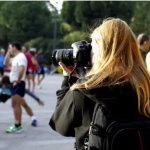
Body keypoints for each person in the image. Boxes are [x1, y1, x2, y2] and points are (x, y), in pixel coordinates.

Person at [49, 18, 150, 150]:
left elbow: (60, 125)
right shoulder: (144, 86)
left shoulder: (86, 89)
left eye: (92, 46)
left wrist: (69, 80)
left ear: (100, 51)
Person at [4, 42, 37, 133]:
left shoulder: (21, 56)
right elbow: (5, 62)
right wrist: (8, 52)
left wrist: (18, 80)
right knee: (16, 104)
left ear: (15, 47)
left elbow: (22, 68)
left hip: (17, 83)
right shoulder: (15, 58)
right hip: (14, 83)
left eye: (10, 48)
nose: (9, 49)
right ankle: (18, 124)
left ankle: (17, 125)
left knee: (15, 104)